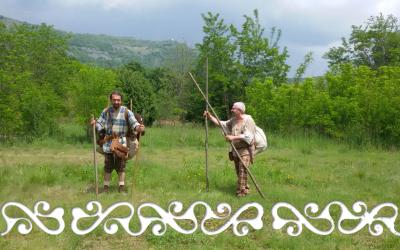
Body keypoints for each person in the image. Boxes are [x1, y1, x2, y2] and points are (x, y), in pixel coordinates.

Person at [91, 91, 145, 193]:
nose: (116, 102)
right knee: (108, 165)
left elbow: (134, 123)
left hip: (121, 142)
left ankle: (121, 188)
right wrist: (95, 124)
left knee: (121, 165)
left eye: (118, 100)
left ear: (121, 101)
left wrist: (139, 128)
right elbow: (100, 123)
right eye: (114, 100)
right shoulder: (106, 111)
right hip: (109, 141)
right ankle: (105, 188)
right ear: (111, 100)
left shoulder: (126, 112)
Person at [204, 102, 256, 197]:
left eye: (233, 108)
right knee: (238, 171)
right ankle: (245, 188)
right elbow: (222, 124)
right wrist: (210, 117)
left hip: (245, 150)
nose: (232, 110)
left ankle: (240, 193)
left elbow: (249, 136)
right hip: (235, 150)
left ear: (239, 110)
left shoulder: (248, 120)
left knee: (242, 169)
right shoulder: (234, 120)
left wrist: (233, 137)